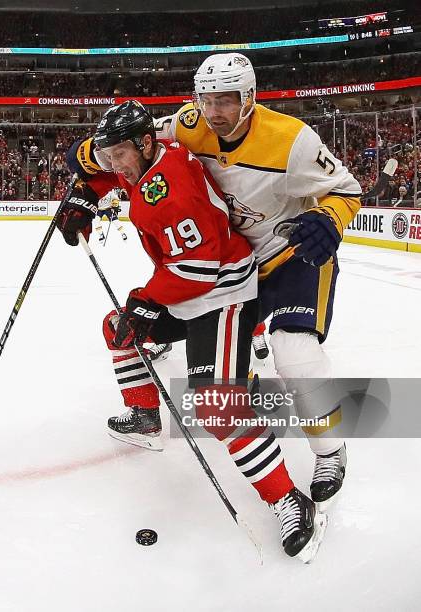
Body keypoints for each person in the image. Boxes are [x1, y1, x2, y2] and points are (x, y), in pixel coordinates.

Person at [57, 100, 327, 562]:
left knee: (217, 407)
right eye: (107, 154)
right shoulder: (143, 159)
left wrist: (148, 298)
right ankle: (144, 418)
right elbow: (113, 173)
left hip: (220, 292)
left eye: (117, 153)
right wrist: (85, 190)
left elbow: (198, 270)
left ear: (145, 143)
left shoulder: (173, 186)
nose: (113, 163)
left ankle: (287, 499)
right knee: (119, 329)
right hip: (186, 283)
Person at [152, 52, 362, 511]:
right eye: (206, 100)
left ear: (250, 97)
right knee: (228, 374)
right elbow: (141, 139)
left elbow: (346, 190)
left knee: (296, 354)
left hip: (292, 257)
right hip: (233, 266)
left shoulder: (291, 140)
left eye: (226, 100)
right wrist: (89, 165)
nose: (215, 112)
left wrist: (327, 218)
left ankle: (330, 450)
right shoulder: (191, 124)